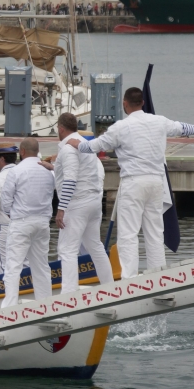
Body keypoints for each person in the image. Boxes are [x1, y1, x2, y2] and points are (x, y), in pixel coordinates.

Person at [69, 89, 194, 277]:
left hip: (133, 182)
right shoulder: (159, 121)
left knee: (128, 235)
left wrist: (77, 144)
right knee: (155, 233)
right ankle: (158, 277)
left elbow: (93, 147)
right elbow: (181, 127)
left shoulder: (120, 127)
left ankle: (129, 279)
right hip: (156, 182)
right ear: (143, 102)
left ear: (125, 103)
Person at [53, 112, 113, 293]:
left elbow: (71, 180)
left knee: (67, 250)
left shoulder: (68, 149)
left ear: (61, 129)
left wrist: (61, 209)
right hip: (93, 201)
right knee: (95, 246)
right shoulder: (85, 145)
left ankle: (69, 296)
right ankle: (110, 288)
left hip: (77, 203)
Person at [0, 137, 55, 308]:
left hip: (21, 222)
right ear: (37, 151)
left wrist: (13, 214)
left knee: (13, 266)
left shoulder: (16, 171)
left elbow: (5, 202)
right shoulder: (48, 172)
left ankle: (10, 306)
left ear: (22, 151)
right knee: (41, 266)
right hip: (43, 222)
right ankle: (45, 304)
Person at [0, 143, 19, 272]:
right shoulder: (23, 173)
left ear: (1, 158)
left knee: (4, 266)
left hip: (4, 226)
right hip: (24, 224)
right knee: (24, 263)